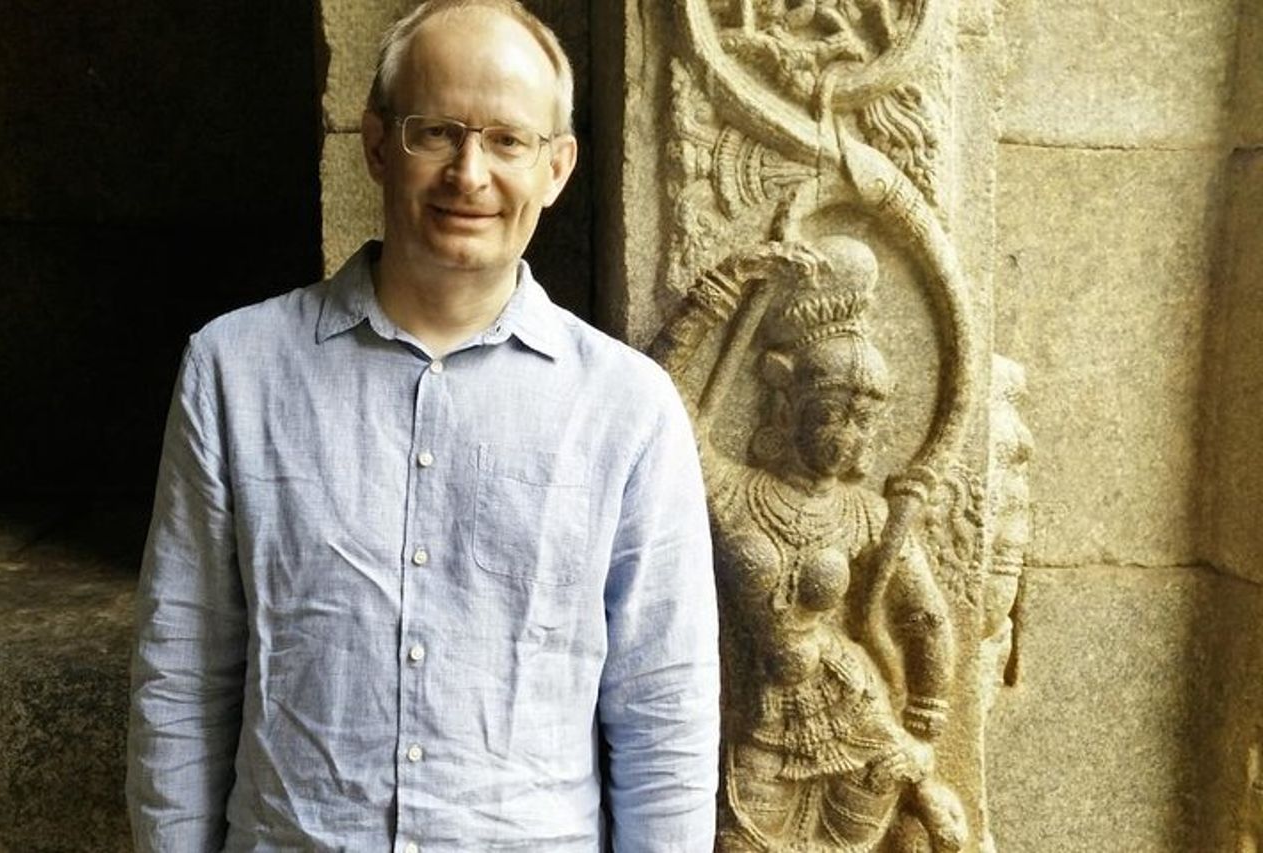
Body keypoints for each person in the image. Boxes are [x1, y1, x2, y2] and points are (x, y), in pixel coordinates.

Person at [125, 1, 720, 850]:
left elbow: (664, 714)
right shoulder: (233, 370)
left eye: (508, 140)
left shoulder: (629, 409)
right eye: (436, 131)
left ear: (557, 168)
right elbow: (182, 679)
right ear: (375, 144)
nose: (469, 173)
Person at [651, 237, 966, 851]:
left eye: (861, 420)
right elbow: (657, 395)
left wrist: (924, 729)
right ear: (785, 402)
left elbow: (924, 618)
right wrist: (722, 287)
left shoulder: (864, 514)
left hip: (858, 715)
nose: (844, 437)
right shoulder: (733, 493)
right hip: (759, 719)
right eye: (828, 414)